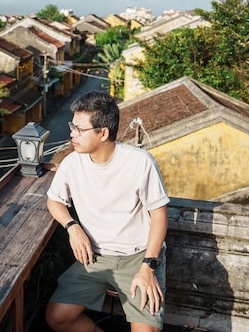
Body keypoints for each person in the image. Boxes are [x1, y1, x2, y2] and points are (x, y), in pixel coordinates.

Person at [45, 91, 169, 332]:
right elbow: (54, 201)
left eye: (80, 130)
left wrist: (148, 267)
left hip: (138, 258)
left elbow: (159, 215)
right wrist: (73, 227)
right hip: (95, 258)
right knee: (58, 317)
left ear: (103, 133)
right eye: (73, 126)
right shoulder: (72, 162)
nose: (72, 134)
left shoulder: (140, 162)